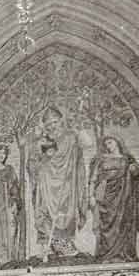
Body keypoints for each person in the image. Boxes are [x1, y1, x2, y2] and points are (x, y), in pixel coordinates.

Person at [28, 106, 88, 260]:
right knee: (45, 209)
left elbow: (84, 148)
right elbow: (33, 161)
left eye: (55, 122)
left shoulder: (70, 137)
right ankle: (49, 246)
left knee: (67, 209)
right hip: (46, 181)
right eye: (48, 124)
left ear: (61, 121)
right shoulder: (42, 140)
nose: (52, 126)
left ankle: (65, 244)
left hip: (66, 181)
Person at [89, 134, 139, 262]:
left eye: (110, 142)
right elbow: (93, 178)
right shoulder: (101, 159)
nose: (108, 146)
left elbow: (137, 178)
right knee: (106, 223)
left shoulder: (127, 159)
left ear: (118, 142)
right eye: (106, 144)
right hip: (107, 197)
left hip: (124, 196)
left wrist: (135, 171)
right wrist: (90, 195)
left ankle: (123, 254)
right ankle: (105, 254)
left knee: (123, 222)